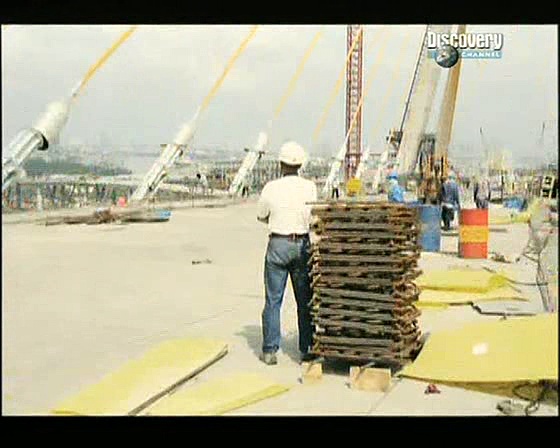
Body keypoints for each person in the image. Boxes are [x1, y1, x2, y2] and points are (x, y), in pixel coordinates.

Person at [256, 141, 317, 366]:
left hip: (278, 244)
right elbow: (313, 217)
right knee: (304, 299)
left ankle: (270, 350)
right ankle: (307, 348)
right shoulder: (310, 187)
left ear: (281, 164)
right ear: (300, 164)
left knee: (273, 300)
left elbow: (261, 214)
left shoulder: (271, 187)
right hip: (301, 243)